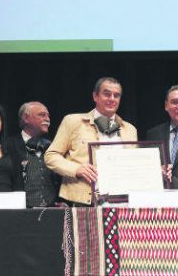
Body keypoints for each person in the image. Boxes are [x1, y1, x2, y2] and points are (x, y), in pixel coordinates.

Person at [45, 77, 138, 206]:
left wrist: (155, 170)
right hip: (84, 201)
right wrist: (76, 169)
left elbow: (134, 165)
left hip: (121, 201)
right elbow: (50, 156)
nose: (112, 99)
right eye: (107, 94)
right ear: (95, 96)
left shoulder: (130, 129)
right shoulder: (73, 121)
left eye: (116, 96)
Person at [7, 101, 60, 207]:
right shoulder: (8, 146)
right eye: (42, 115)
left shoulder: (53, 147)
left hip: (51, 213)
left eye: (48, 116)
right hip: (19, 213)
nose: (47, 119)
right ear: (26, 118)